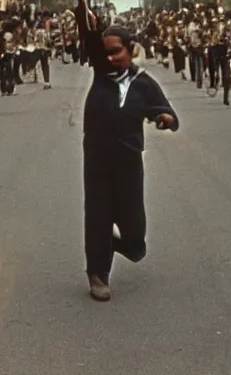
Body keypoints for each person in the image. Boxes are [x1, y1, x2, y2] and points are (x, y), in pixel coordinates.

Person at [81, 24, 179, 302]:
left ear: (130, 49)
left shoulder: (144, 84)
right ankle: (98, 274)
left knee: (136, 242)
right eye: (105, 53)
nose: (110, 58)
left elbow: (166, 112)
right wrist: (81, 4)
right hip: (98, 163)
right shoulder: (101, 75)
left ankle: (111, 243)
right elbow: (87, 32)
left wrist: (166, 119)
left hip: (129, 166)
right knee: (98, 217)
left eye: (116, 52)